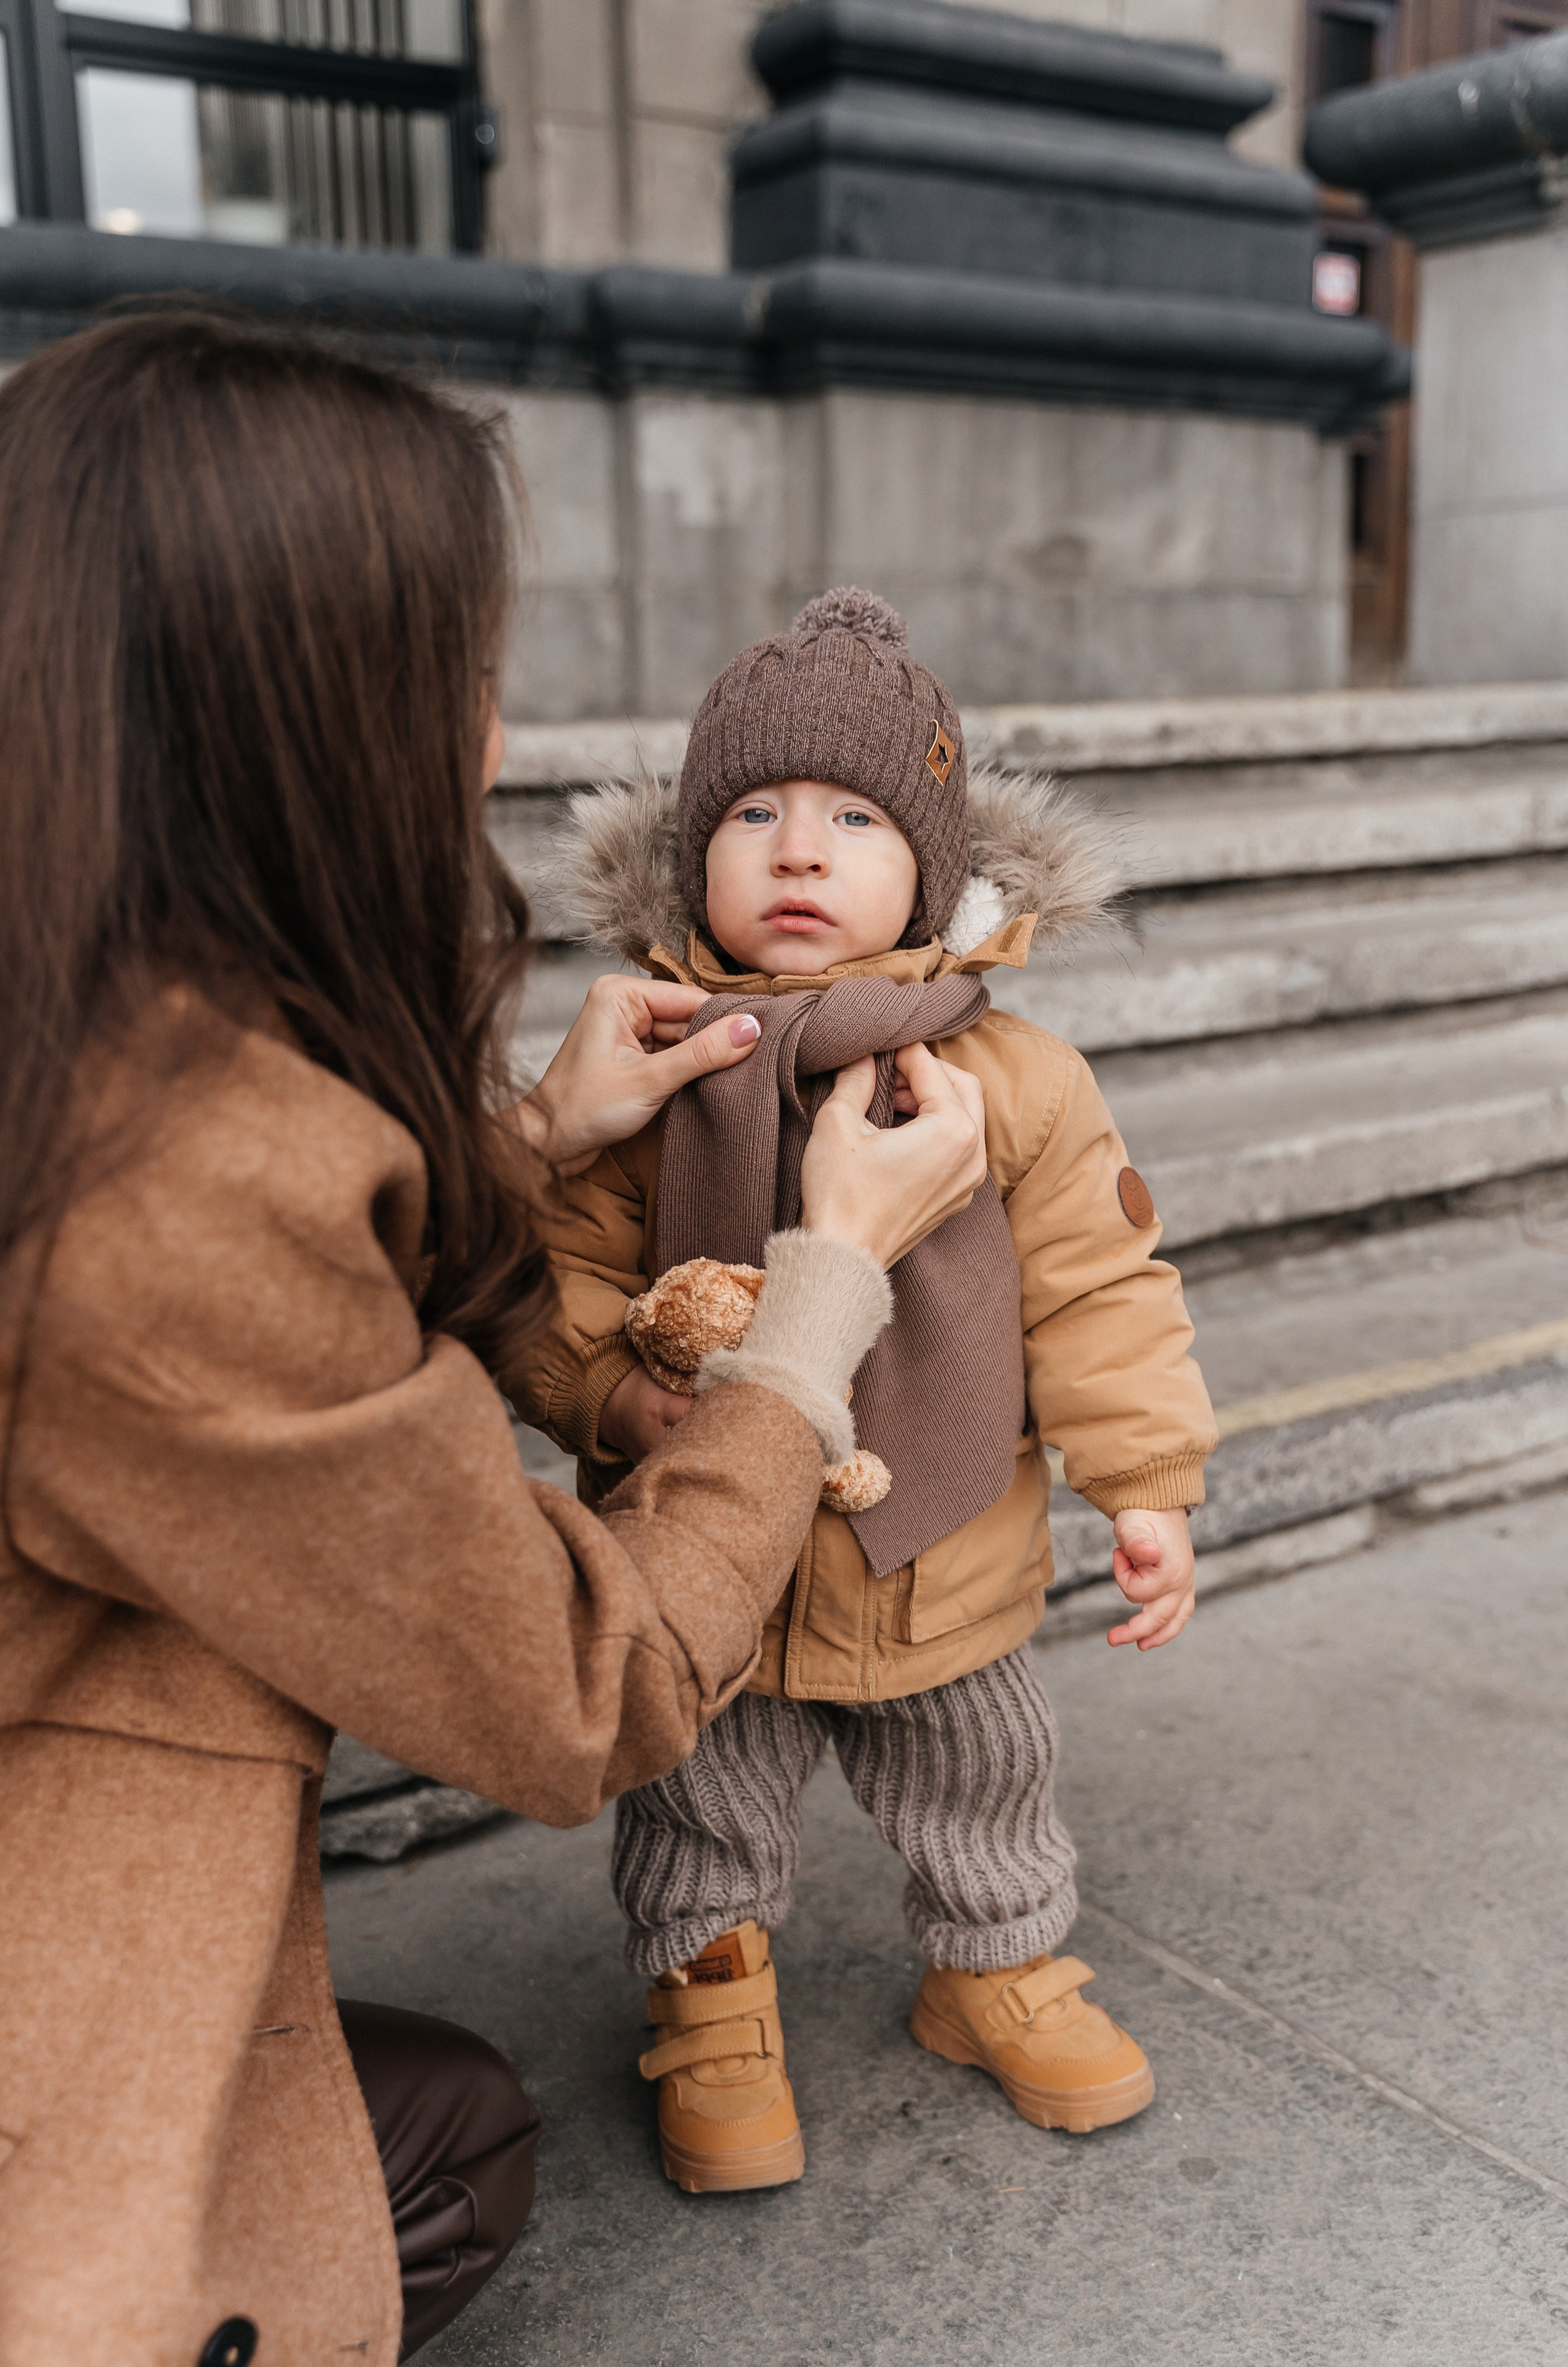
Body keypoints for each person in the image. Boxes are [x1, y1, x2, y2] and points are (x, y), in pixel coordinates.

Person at [0, 321, 989, 2367]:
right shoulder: (176, 1180)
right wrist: (827, 1283)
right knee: (426, 2160)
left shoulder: (76, 1040)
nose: (493, 725)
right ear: (308, 711)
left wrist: (535, 1139)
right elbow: (576, 1687)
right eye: (463, 666)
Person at [517, 587, 1219, 2194]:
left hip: (943, 1557)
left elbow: (1103, 1287)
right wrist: (618, 1408)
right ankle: (711, 1996)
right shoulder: (653, 1062)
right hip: (713, 1557)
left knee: (987, 1775)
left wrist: (1149, 1483)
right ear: (693, 855)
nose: (799, 851)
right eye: (752, 813)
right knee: (700, 1794)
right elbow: (557, 1283)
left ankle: (993, 1968)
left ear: (940, 865)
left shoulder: (1017, 1078)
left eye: (852, 816)